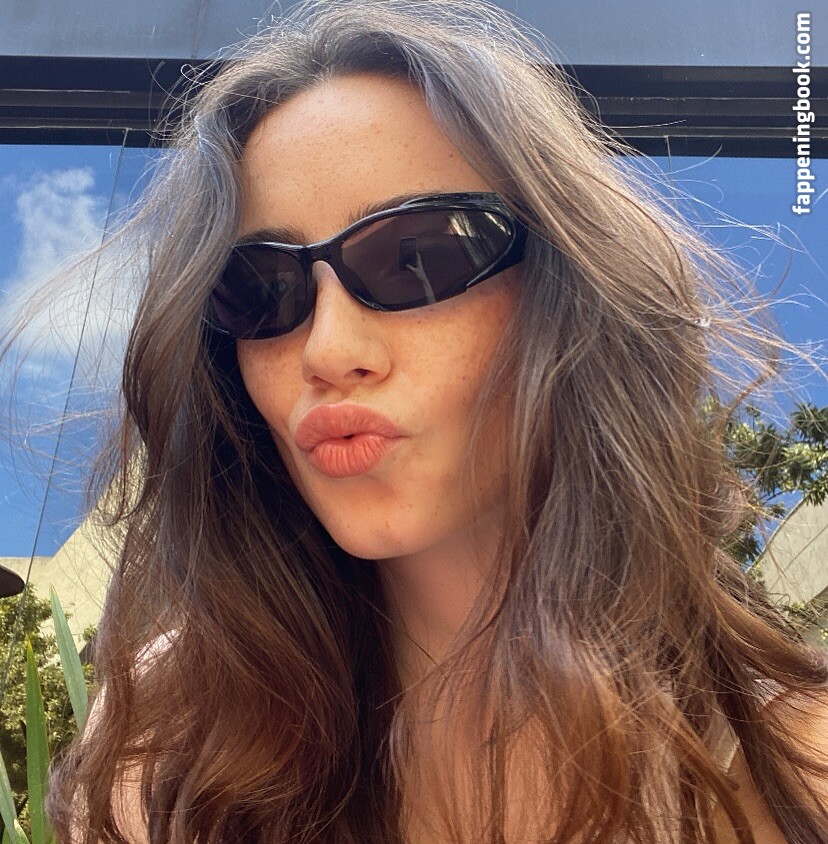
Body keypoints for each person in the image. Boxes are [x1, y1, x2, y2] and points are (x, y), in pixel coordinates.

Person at [22, 0, 826, 841]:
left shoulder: (796, 767)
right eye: (260, 290)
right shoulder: (172, 750)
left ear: (566, 294)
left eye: (417, 258)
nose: (327, 350)